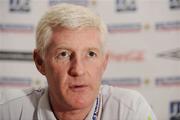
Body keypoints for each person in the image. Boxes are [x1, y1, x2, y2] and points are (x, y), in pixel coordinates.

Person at [0, 3, 157, 120]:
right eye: (63, 54)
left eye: (90, 54)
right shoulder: (8, 111)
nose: (78, 70)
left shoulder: (129, 111)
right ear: (40, 62)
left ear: (104, 62)